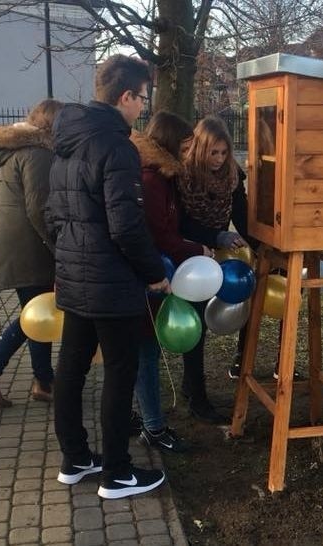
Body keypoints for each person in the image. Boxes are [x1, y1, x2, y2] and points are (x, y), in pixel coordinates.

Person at [46, 54, 169, 499]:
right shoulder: (117, 146)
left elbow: (52, 217)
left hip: (76, 278)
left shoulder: (67, 142)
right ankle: (117, 472)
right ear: (125, 96)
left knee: (72, 368)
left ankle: (75, 458)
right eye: (142, 100)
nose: (144, 109)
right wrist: (154, 274)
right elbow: (126, 225)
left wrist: (65, 265)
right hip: (111, 282)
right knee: (121, 370)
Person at [0, 98, 63, 408]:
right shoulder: (38, 153)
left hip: (18, 247)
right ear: (52, 126)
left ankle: (43, 381)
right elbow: (39, 208)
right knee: (32, 316)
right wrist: (58, 247)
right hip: (31, 249)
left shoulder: (15, 151)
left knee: (37, 313)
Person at [131, 111, 216, 452]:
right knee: (145, 353)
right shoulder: (151, 182)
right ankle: (152, 427)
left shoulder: (162, 178)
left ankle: (141, 418)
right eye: (184, 146)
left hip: (152, 272)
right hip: (148, 276)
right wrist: (199, 249)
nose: (187, 154)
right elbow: (161, 235)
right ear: (167, 144)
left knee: (142, 352)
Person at [177, 116, 249, 424]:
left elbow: (243, 216)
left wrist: (257, 246)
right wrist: (214, 237)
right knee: (195, 325)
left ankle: (190, 386)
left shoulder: (233, 175)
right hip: (189, 252)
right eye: (213, 153)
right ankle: (197, 397)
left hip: (216, 253)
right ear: (200, 149)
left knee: (204, 321)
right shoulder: (182, 177)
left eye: (224, 153)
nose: (219, 160)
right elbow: (180, 222)